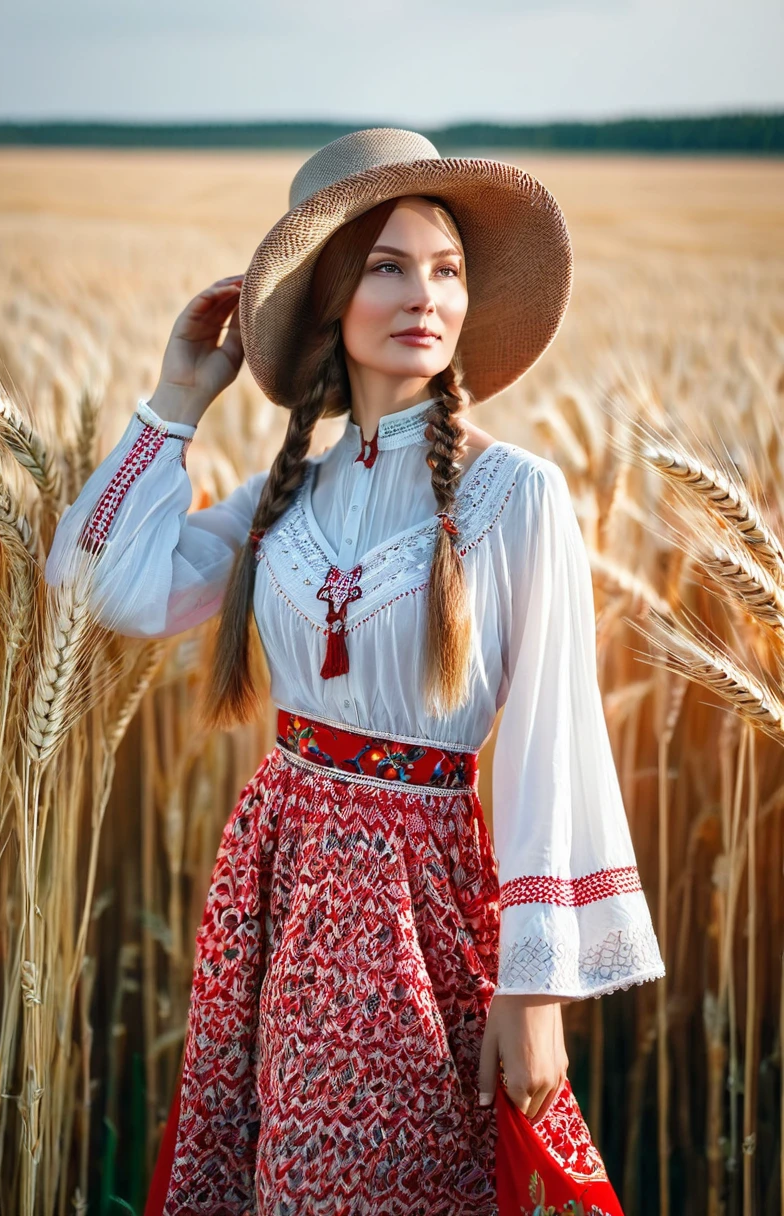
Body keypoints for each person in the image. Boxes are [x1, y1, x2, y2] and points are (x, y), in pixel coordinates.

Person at [45, 128, 665, 1215]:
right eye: (388, 266)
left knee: (408, 1175)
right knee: (283, 1175)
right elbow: (102, 585)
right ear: (330, 294)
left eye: (448, 269)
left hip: (416, 895)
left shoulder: (514, 494)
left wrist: (532, 988)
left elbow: (552, 737)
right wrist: (176, 399)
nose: (426, 295)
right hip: (276, 880)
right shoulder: (282, 498)